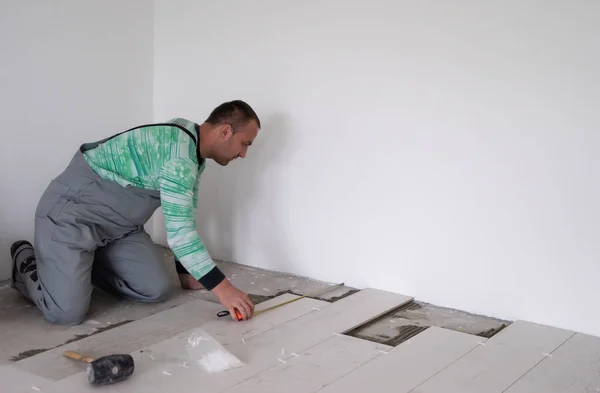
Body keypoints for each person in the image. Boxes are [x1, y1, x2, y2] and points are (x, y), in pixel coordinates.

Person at [10, 100, 259, 325]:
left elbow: (184, 215)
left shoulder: (189, 140)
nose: (244, 154)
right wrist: (224, 289)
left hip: (118, 229)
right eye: (244, 144)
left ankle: (78, 267)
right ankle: (24, 258)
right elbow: (181, 235)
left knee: (155, 289)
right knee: (65, 313)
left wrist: (186, 272)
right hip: (70, 219)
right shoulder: (179, 160)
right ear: (225, 131)